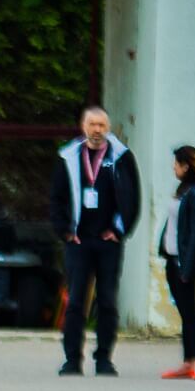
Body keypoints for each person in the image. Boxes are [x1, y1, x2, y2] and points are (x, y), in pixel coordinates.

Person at [49, 106, 141, 376]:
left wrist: (119, 230)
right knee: (76, 301)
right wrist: (65, 230)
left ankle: (104, 359)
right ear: (83, 126)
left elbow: (132, 197)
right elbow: (57, 198)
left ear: (108, 128)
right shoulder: (68, 157)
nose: (97, 130)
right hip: (78, 241)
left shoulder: (121, 158)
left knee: (107, 301)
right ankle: (72, 360)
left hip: (108, 242)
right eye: (92, 124)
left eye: (101, 125)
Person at [159, 145, 195, 380]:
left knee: (190, 311)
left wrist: (188, 266)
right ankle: (187, 361)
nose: (173, 167)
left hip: (185, 261)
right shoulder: (183, 190)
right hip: (173, 258)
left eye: (176, 163)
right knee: (185, 311)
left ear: (186, 166)